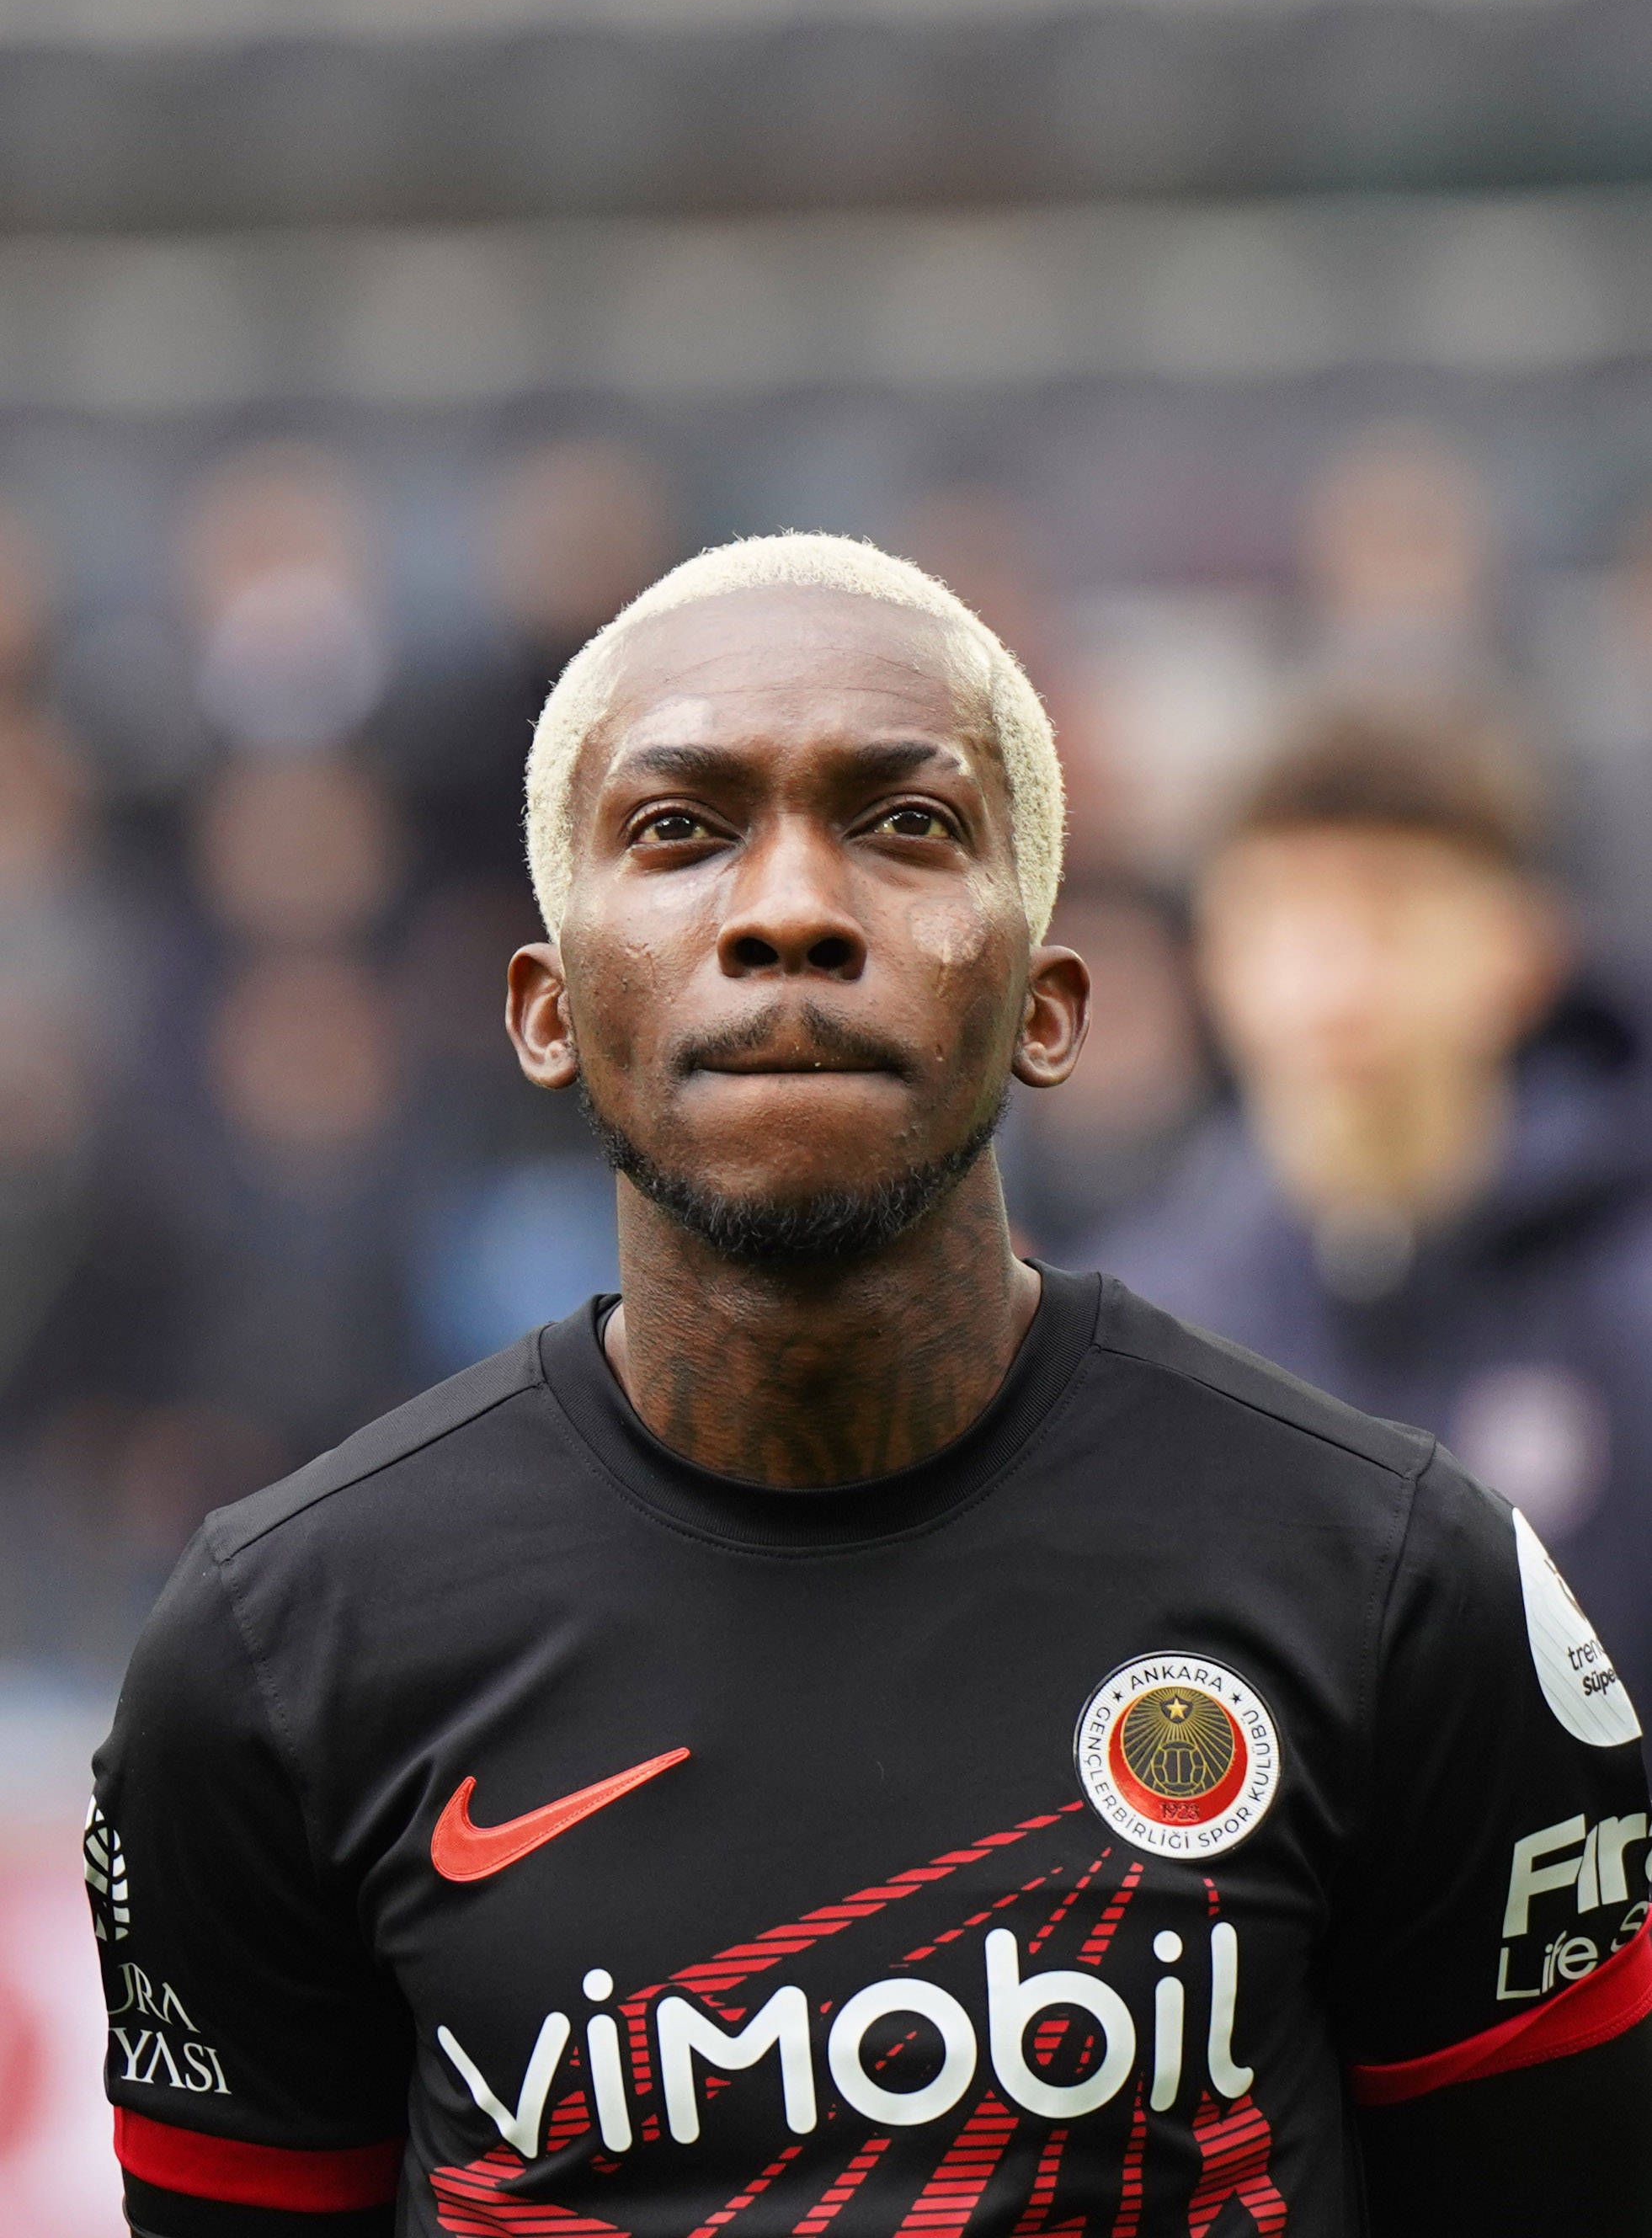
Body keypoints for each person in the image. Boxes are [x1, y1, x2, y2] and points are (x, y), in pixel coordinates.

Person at [89, 539, 1652, 2238]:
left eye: (905, 823)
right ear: (544, 1008)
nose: (789, 910)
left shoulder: (1403, 1582)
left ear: (1049, 1002)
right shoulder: (275, 1652)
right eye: (678, 827)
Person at [1097, 706, 1652, 1721]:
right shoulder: (1144, 1327)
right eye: (1283, 914)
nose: (1334, 978)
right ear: (1213, 958)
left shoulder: (1627, 1297)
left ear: (1521, 954)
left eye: (1391, 914)